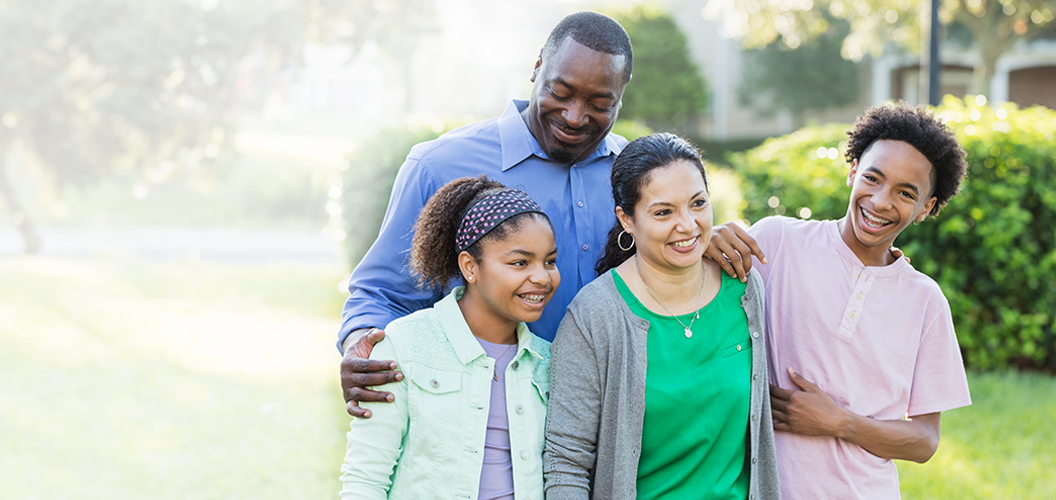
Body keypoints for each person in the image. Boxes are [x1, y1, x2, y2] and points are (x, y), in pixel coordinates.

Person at [339, 11, 633, 419]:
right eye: (561, 92)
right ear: (536, 68)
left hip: (610, 427)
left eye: (600, 104)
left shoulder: (637, 177)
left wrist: (707, 242)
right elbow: (383, 293)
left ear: (621, 96)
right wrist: (360, 344)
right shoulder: (438, 165)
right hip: (479, 429)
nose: (574, 116)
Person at [705, 103, 971, 499]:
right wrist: (702, 242)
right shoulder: (778, 243)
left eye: (905, 193)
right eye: (873, 178)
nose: (881, 201)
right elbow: (698, 321)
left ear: (926, 208)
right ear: (852, 171)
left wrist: (840, 422)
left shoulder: (925, 301)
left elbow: (924, 440)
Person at [543, 133, 781, 500]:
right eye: (663, 212)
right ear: (627, 219)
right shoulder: (595, 316)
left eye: (698, 203)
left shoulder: (745, 290)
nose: (687, 225)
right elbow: (565, 461)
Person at [340, 176, 558, 500]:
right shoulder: (403, 345)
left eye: (550, 261)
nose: (541, 277)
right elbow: (365, 479)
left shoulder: (549, 361)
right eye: (520, 262)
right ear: (470, 267)